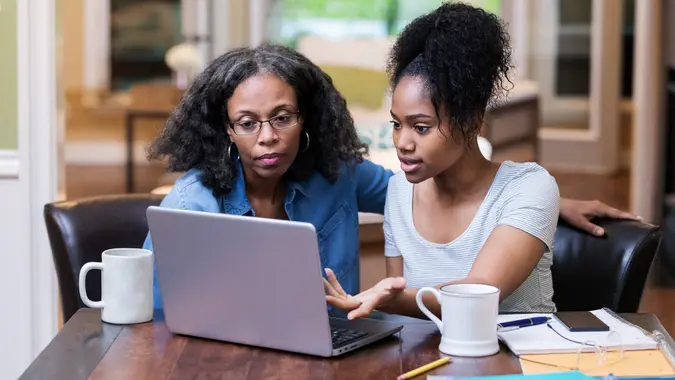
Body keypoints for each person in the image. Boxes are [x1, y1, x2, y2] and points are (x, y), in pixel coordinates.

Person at [144, 43, 638, 310]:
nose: (267, 137)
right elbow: (156, 310)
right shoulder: (192, 205)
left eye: (283, 117)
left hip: (341, 353)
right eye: (247, 124)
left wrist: (550, 201)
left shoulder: (337, 175)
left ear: (306, 118)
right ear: (226, 129)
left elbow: (434, 185)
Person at [324, 3, 637, 319]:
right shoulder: (399, 191)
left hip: (521, 363)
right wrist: (391, 302)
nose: (402, 143)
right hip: (432, 364)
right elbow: (405, 317)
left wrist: (389, 300)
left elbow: (483, 291)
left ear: (473, 120)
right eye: (396, 124)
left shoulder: (530, 187)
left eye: (421, 127)